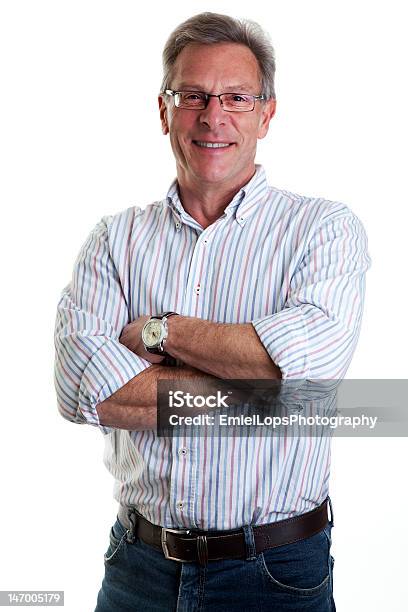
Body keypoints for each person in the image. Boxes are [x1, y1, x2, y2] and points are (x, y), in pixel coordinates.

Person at [53, 11, 370, 612]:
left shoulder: (323, 231)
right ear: (164, 109)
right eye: (192, 95)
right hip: (138, 571)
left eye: (236, 97)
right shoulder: (113, 240)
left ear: (266, 113)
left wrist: (161, 332)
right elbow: (80, 393)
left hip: (277, 573)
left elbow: (306, 375)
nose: (213, 115)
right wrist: (261, 386)